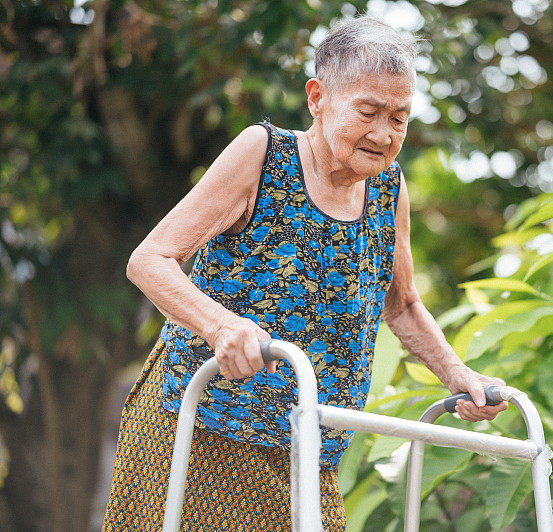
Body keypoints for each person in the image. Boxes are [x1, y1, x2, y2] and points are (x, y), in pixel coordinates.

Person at [103, 15, 507, 531]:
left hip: (305, 445)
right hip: (200, 425)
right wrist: (220, 325)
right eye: (368, 111)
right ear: (318, 98)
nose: (383, 134)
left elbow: (400, 303)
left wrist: (460, 377)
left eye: (400, 118)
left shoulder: (388, 190)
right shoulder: (263, 155)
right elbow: (150, 260)